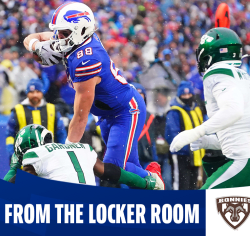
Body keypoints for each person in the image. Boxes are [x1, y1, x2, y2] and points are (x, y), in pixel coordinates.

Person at [23, 2, 164, 189]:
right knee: (126, 168)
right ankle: (149, 193)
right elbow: (34, 37)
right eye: (59, 32)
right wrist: (36, 46)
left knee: (113, 168)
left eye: (63, 33)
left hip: (125, 111)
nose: (58, 38)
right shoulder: (75, 39)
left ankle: (154, 181)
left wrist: (67, 151)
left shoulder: (87, 60)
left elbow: (81, 116)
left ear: (79, 30)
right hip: (107, 113)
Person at [170, 27, 250, 189]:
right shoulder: (243, 76)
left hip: (246, 164)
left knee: (199, 208)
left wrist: (196, 131)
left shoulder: (217, 74)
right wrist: (209, 141)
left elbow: (234, 111)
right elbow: (240, 134)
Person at [3, 124, 163, 190]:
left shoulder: (34, 154)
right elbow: (110, 172)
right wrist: (144, 183)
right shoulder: (81, 148)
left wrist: (14, 166)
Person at [6, 79, 67, 160]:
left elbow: (61, 134)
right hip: (24, 161)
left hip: (49, 160)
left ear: (42, 93)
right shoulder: (17, 110)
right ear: (27, 93)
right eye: (32, 92)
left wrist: (62, 153)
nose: (35, 95)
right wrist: (13, 154)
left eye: (38, 92)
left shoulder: (52, 109)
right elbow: (10, 135)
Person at [165, 81, 205, 190]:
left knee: (193, 185)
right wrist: (184, 148)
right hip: (181, 156)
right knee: (180, 185)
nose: (187, 97)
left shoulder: (197, 109)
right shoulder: (174, 112)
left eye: (189, 94)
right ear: (179, 95)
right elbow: (171, 134)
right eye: (184, 95)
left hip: (196, 155)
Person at [130, 82, 157, 169]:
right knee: (128, 180)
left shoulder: (150, 116)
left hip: (146, 154)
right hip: (129, 155)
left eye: (141, 94)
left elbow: (152, 138)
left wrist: (154, 158)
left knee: (146, 180)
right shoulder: (125, 114)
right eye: (136, 93)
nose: (139, 96)